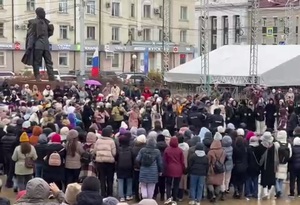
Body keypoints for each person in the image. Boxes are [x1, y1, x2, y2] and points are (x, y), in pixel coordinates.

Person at [22, 7, 55, 81]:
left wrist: (51, 30)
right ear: (39, 13)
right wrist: (29, 46)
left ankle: (51, 76)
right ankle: (37, 76)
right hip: (38, 45)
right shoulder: (34, 22)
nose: (44, 13)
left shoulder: (46, 22)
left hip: (46, 45)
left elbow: (48, 34)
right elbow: (31, 35)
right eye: (43, 12)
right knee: (37, 62)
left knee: (49, 61)